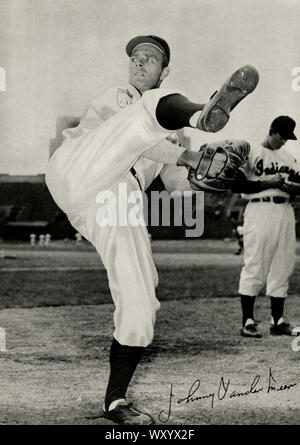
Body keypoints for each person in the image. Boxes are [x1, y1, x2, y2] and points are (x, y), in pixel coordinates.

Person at [45, 34, 258, 424]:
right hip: (80, 168)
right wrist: (192, 151)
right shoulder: (120, 97)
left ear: (165, 70)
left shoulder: (166, 129)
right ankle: (201, 113)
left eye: (150, 59)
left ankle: (115, 400)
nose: (140, 64)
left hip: (118, 201)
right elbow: (141, 142)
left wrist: (217, 176)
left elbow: (179, 187)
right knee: (147, 110)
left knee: (142, 301)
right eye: (136, 58)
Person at [231, 116, 300, 338]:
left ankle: (277, 321)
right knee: (255, 263)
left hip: (285, 211)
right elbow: (237, 184)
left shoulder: (288, 157)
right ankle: (248, 321)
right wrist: (268, 183)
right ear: (272, 130)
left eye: (287, 138)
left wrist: (293, 188)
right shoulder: (251, 153)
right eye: (282, 137)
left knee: (284, 263)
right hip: (259, 209)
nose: (284, 142)